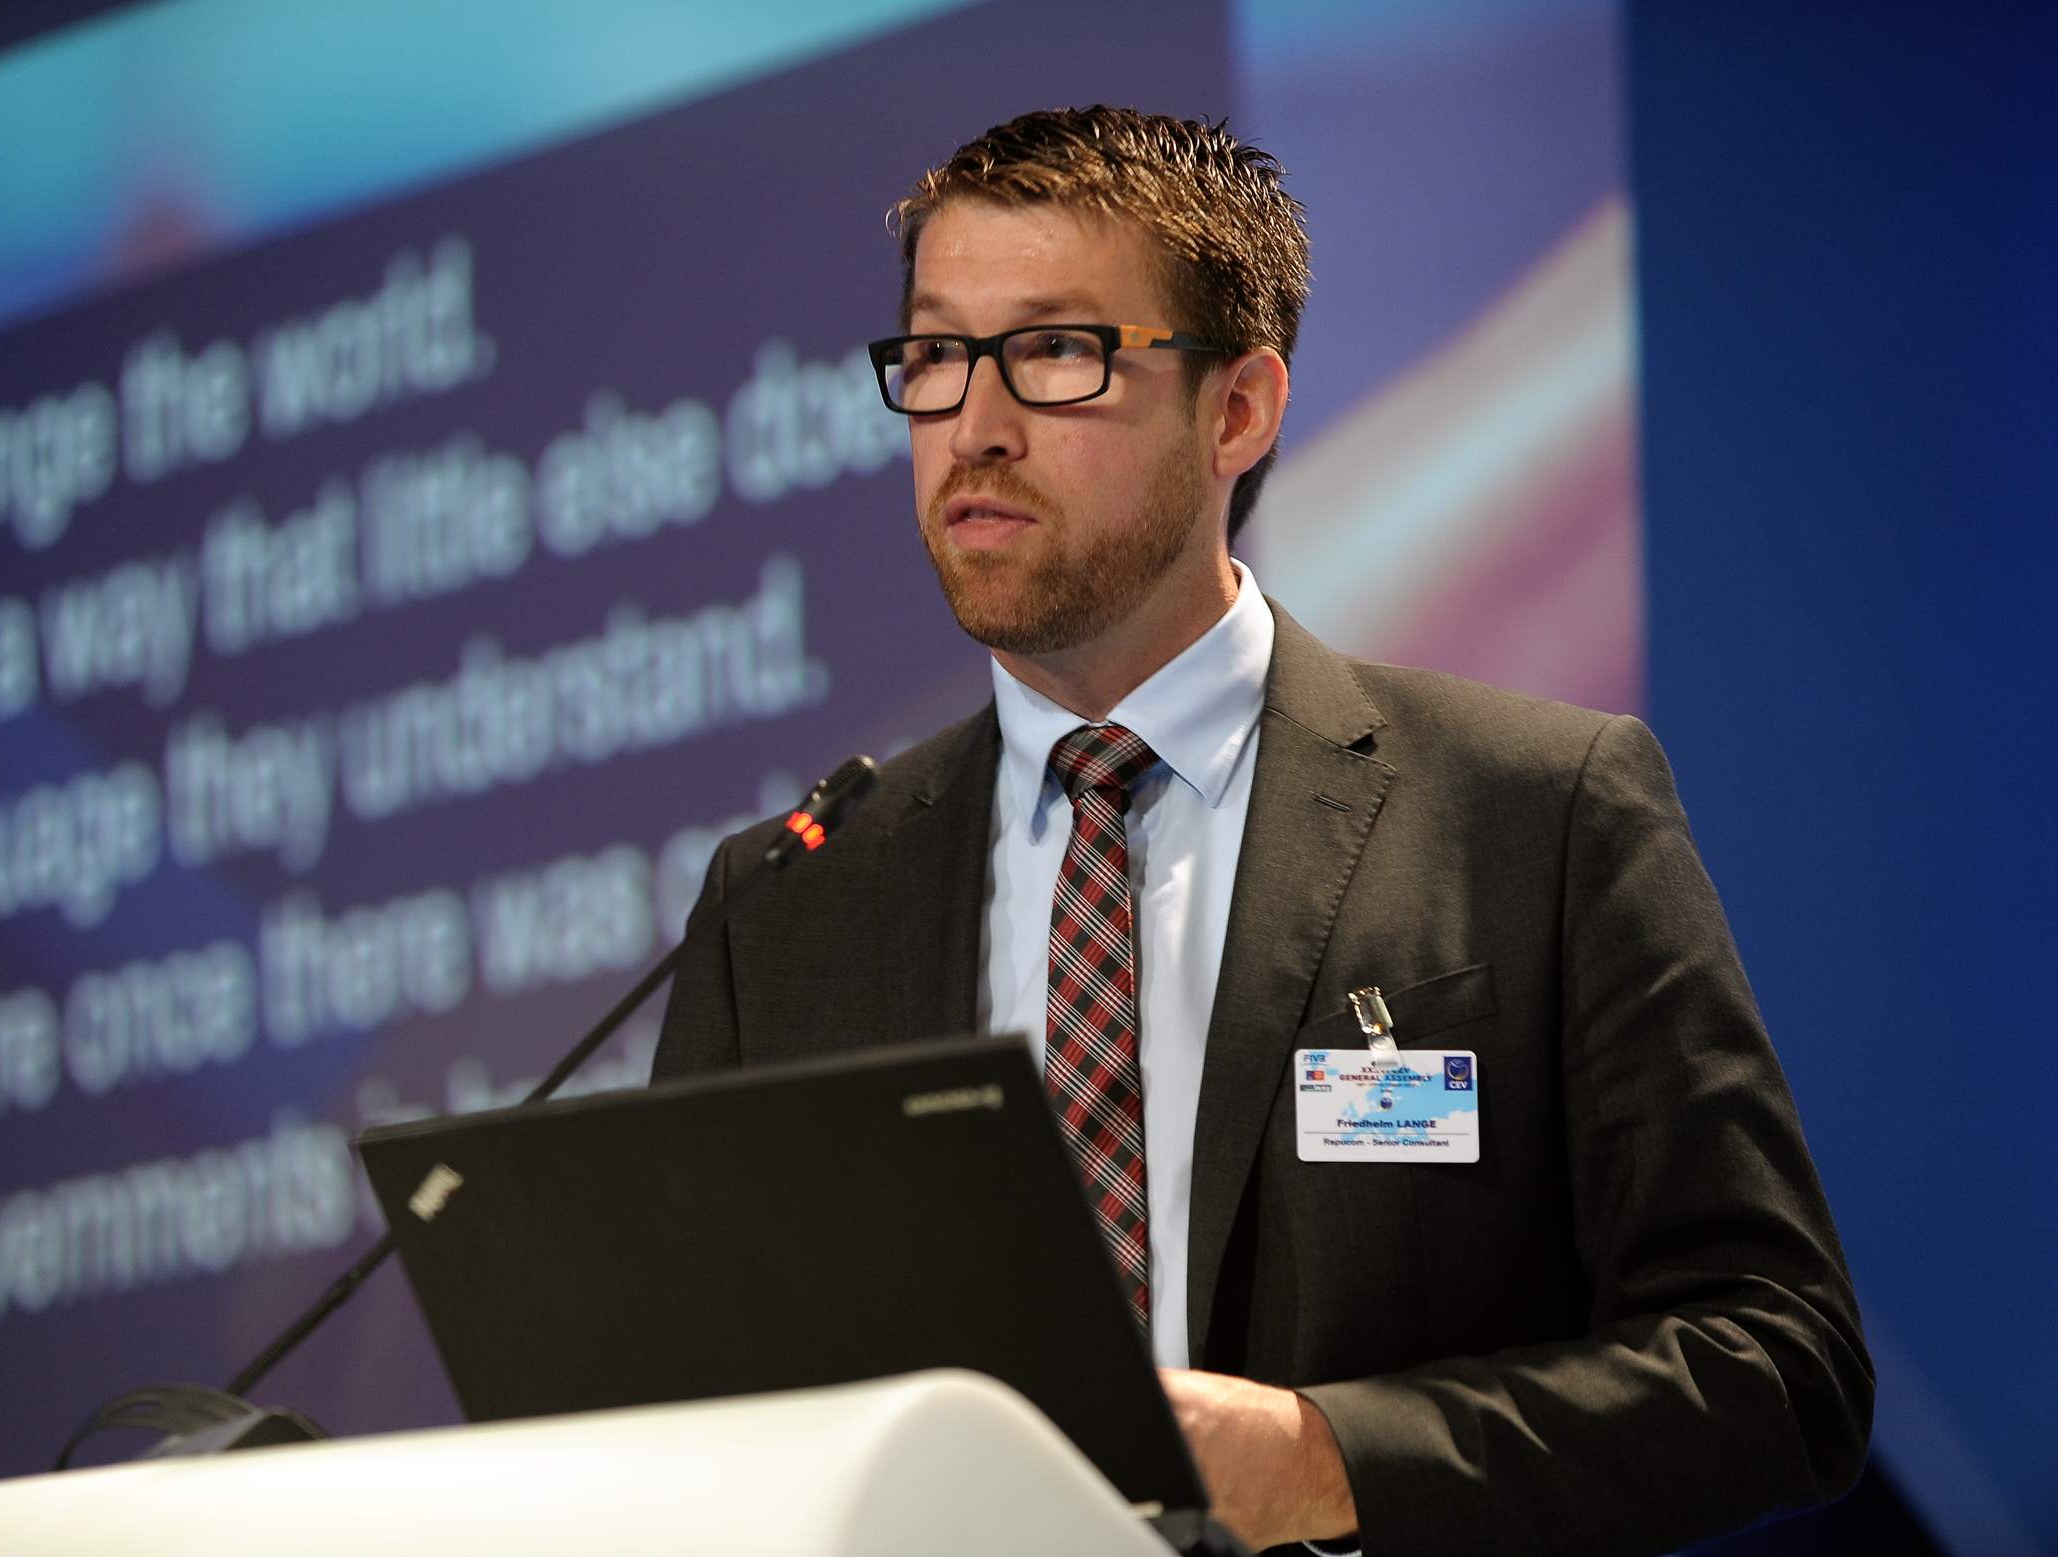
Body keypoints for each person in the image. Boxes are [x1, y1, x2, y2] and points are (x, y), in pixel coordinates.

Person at [651, 106, 1870, 1555]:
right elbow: (686, 1422)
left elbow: (1776, 1359)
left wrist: (1326, 1459)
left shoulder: (1534, 812)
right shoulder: (785, 904)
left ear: (1238, 409)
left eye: (1055, 352)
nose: (973, 427)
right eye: (935, 358)